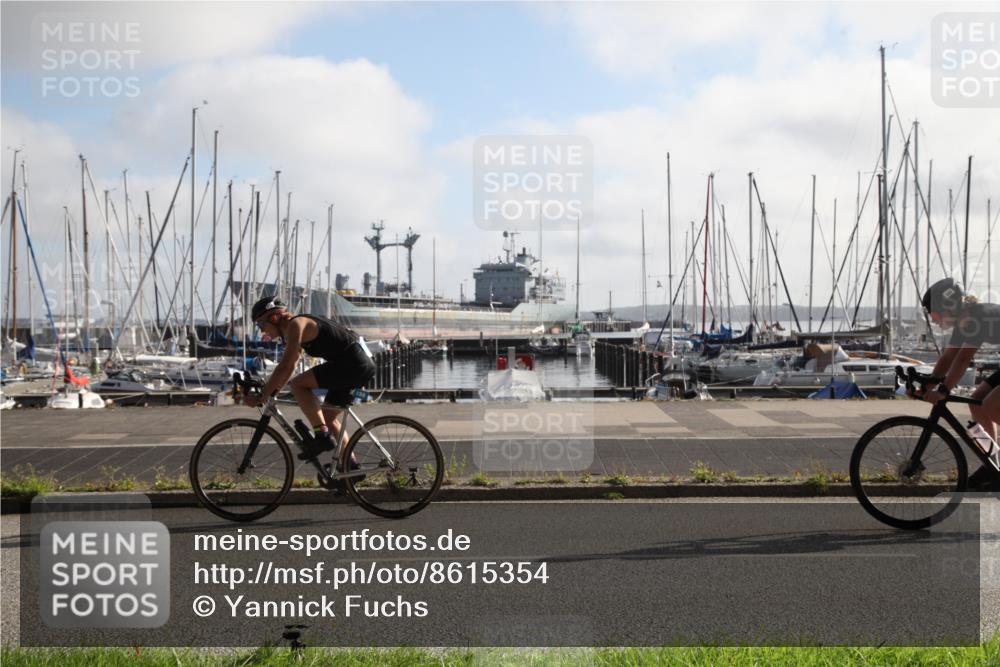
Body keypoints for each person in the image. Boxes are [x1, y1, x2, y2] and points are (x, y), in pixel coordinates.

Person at [243, 296, 375, 462]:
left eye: (261, 325)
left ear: (274, 317)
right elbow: (290, 367)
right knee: (327, 418)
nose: (262, 331)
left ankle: (321, 436)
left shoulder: (296, 325)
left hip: (352, 365)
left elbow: (285, 366)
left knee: (298, 385)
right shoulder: (296, 328)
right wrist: (271, 392)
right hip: (355, 365)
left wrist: (263, 395)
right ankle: (351, 466)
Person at [917, 278, 1000, 488]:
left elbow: (963, 359)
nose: (932, 319)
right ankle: (992, 464)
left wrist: (943, 390)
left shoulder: (976, 318)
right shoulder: (964, 322)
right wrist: (926, 387)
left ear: (947, 307)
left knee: (991, 404)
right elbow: (948, 358)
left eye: (932, 313)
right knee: (977, 402)